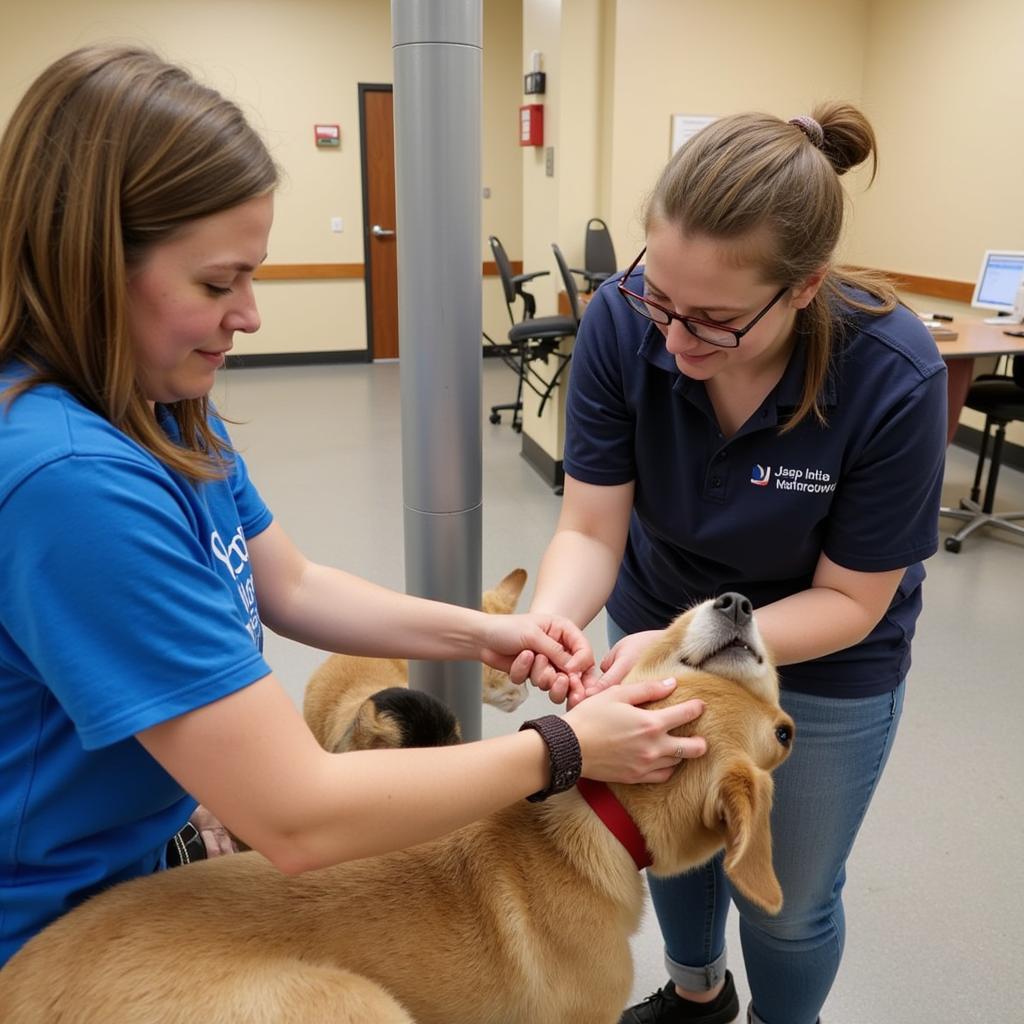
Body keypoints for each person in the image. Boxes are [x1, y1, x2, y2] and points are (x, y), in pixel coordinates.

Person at [0, 44, 708, 970]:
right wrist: (566, 749)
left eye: (254, 275)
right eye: (217, 283)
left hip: (137, 864)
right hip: (55, 934)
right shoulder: (71, 481)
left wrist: (480, 633)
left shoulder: (155, 402)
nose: (249, 313)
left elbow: (288, 581)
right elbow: (295, 814)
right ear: (88, 260)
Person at [527, 104, 947, 1024]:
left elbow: (848, 599)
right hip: (657, 617)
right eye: (659, 301)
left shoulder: (891, 373)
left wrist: (681, 647)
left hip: (828, 656)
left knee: (788, 904)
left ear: (804, 288)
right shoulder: (619, 322)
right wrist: (550, 618)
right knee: (668, 843)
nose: (674, 345)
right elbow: (592, 529)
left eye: (714, 322)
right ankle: (695, 993)